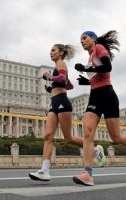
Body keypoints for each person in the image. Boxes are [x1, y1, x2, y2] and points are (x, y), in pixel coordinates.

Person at [72, 30, 126, 186]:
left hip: (108, 95)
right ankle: (87, 173)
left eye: (84, 38)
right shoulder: (90, 57)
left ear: (93, 39)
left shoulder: (99, 48)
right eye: (80, 39)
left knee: (116, 137)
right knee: (87, 132)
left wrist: (87, 69)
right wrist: (86, 81)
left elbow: (108, 68)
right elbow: (97, 77)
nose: (81, 41)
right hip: (95, 95)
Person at [29, 44, 105, 182]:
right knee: (47, 136)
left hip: (63, 102)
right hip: (54, 102)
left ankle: (95, 151)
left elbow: (63, 79)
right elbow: (69, 84)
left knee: (68, 138)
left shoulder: (61, 63)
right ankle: (44, 170)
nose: (50, 53)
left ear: (61, 52)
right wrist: (53, 86)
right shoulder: (57, 66)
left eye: (53, 50)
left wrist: (50, 78)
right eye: (50, 50)